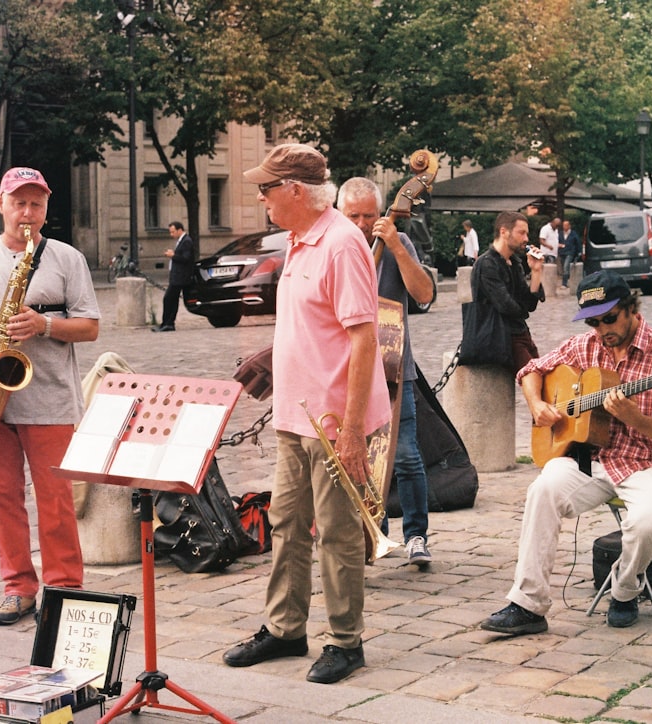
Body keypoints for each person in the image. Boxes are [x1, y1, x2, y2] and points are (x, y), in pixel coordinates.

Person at [223, 144, 389, 685]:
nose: (261, 197)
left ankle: (346, 641)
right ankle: (286, 628)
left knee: (338, 532)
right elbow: (314, 330)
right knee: (286, 522)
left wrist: (352, 430)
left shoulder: (341, 244)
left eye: (268, 188)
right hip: (296, 415)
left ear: (296, 190)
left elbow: (364, 341)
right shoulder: (298, 240)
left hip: (334, 420)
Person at [479, 270, 652, 635]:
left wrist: (634, 418)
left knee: (648, 523)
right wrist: (537, 404)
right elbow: (530, 369)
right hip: (594, 458)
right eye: (593, 321)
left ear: (631, 309)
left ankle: (625, 590)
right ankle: (528, 604)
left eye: (609, 318)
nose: (601, 329)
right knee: (542, 489)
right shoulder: (584, 346)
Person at [0, 167, 100, 625]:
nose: (28, 213)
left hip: (49, 399)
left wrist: (44, 324)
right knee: (3, 498)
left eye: (37, 204)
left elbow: (90, 327)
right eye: (19, 203)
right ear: (0, 203)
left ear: (47, 207)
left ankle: (65, 588)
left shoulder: (67, 258)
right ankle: (17, 587)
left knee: (55, 500)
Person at [337, 177, 437, 567]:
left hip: (395, 369)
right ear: (340, 214)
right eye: (354, 216)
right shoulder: (336, 248)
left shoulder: (399, 242)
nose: (362, 224)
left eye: (369, 215)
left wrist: (395, 245)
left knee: (407, 455)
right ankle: (368, 529)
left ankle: (416, 535)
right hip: (347, 371)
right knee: (355, 458)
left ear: (381, 213)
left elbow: (424, 294)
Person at [470, 210, 545, 372]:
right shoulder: (487, 264)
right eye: (521, 233)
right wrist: (522, 307)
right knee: (535, 377)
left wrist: (536, 271)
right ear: (504, 232)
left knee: (545, 374)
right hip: (500, 335)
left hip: (520, 331)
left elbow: (530, 304)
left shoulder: (514, 262)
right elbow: (507, 307)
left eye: (526, 234)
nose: (526, 239)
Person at [154, 221, 195, 332]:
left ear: (179, 230)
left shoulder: (186, 241)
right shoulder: (181, 241)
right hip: (177, 276)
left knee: (169, 298)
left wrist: (173, 255)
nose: (171, 235)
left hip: (180, 277)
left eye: (173, 232)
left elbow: (185, 258)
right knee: (171, 299)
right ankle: (166, 323)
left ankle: (168, 323)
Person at [557, 219, 581, 288]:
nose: (565, 227)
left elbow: (577, 243)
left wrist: (579, 252)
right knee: (563, 268)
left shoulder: (573, 234)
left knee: (566, 267)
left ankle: (564, 283)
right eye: (564, 225)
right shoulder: (560, 234)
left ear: (569, 226)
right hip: (562, 253)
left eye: (566, 225)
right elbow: (557, 242)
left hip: (570, 252)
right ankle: (566, 279)